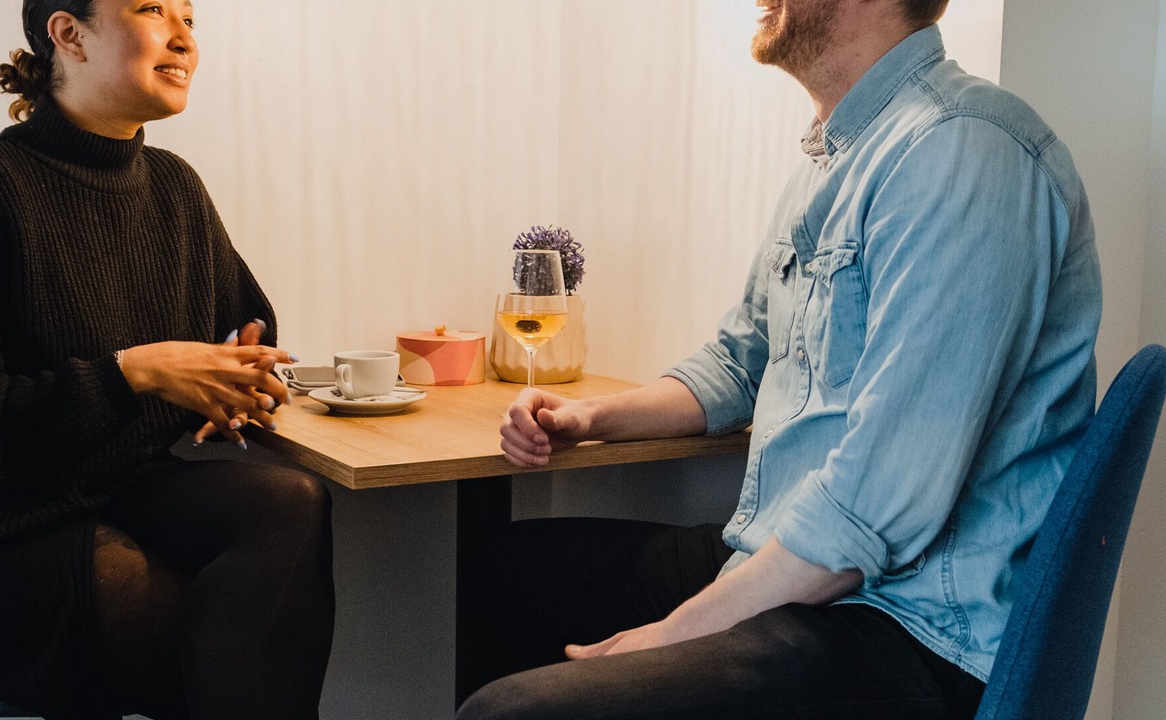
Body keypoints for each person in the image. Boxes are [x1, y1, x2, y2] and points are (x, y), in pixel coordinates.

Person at [459, 0, 1102, 718]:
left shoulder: (966, 152)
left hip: (906, 625)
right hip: (794, 566)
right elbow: (740, 364)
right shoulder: (832, 161)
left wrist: (671, 636)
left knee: (509, 712)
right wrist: (588, 416)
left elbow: (869, 514)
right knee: (500, 572)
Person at [0, 1, 335, 718]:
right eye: (153, 9)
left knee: (288, 504)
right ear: (69, 34)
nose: (184, 36)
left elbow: (244, 323)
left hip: (111, 486)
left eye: (190, 16)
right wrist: (137, 373)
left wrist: (240, 371)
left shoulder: (173, 187)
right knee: (195, 632)